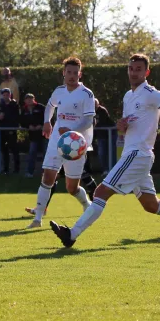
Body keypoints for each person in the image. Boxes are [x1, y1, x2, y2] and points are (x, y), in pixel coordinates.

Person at [50, 54, 160, 247]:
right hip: (134, 154)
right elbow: (127, 126)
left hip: (138, 154)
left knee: (100, 192)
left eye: (138, 69)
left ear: (146, 72)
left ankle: (71, 235)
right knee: (152, 205)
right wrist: (122, 126)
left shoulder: (152, 93)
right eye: (131, 69)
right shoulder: (128, 95)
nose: (134, 73)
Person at [26, 57, 94, 229]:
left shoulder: (87, 94)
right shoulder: (59, 91)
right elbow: (50, 106)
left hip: (77, 144)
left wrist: (73, 132)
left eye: (74, 73)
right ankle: (37, 219)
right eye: (68, 72)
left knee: (72, 187)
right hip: (57, 140)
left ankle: (86, 204)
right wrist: (47, 122)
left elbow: (88, 120)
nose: (71, 76)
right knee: (48, 175)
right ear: (64, 73)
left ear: (80, 74)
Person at [20, 93, 45, 177]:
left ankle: (46, 173)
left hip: (44, 134)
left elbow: (49, 118)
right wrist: (28, 126)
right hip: (33, 136)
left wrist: (41, 125)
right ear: (25, 101)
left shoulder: (41, 107)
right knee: (32, 153)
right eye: (27, 99)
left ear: (34, 99)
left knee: (47, 154)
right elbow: (22, 121)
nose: (29, 100)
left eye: (31, 98)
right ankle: (30, 172)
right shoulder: (24, 110)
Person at [0, 88, 20, 174]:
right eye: (4, 95)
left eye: (7, 94)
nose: (5, 96)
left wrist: (5, 116)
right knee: (4, 151)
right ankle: (6, 169)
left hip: (11, 130)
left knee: (14, 150)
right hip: (2, 130)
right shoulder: (1, 104)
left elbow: (16, 117)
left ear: (10, 95)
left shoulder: (14, 104)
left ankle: (16, 169)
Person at [94, 98, 116, 175]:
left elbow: (101, 122)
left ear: (98, 104)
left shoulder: (102, 110)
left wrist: (94, 126)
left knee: (112, 152)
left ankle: (113, 170)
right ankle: (105, 170)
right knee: (101, 153)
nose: (94, 107)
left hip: (111, 133)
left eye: (95, 105)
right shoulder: (89, 111)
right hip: (101, 136)